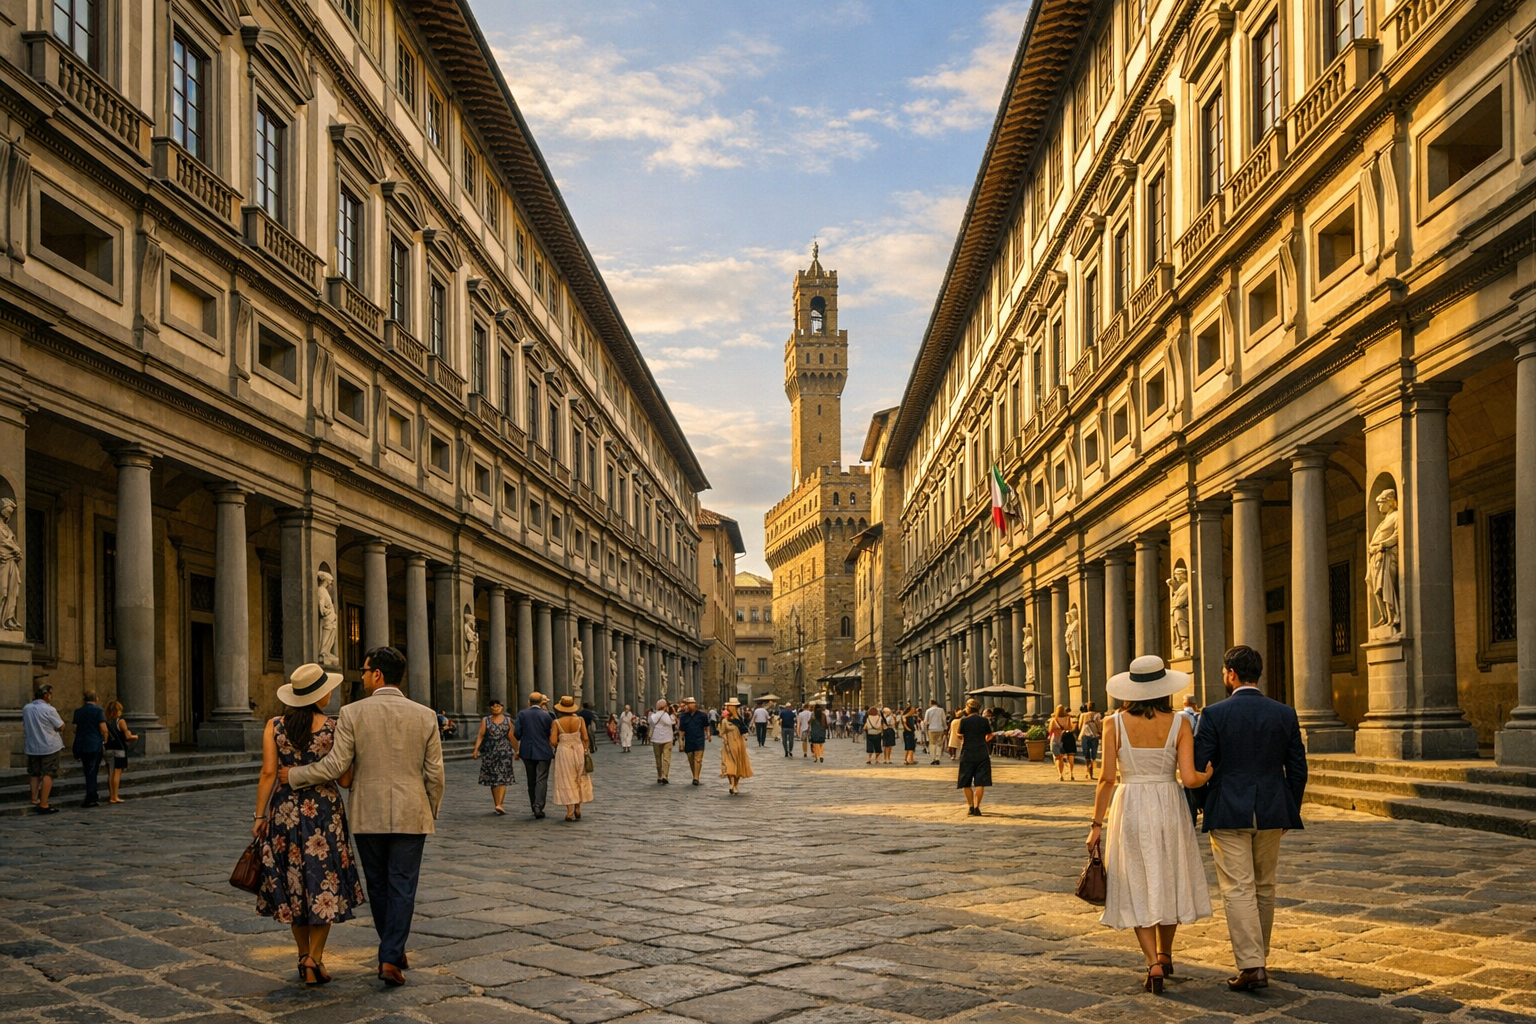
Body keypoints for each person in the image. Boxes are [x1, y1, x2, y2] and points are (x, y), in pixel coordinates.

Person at [281, 648, 444, 987]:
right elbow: (435, 774)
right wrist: (431, 808)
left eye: (365, 670)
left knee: (379, 885)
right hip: (412, 811)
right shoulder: (426, 715)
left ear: (378, 676)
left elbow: (336, 766)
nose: (362, 675)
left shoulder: (352, 713)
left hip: (367, 812)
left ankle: (391, 951)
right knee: (403, 886)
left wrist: (295, 775)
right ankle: (390, 955)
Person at [1086, 655, 1214, 996]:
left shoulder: (1113, 723)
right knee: (1168, 876)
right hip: (1168, 802)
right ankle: (1165, 953)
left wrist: (1096, 824)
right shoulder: (1179, 723)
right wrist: (1207, 775)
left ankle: (1151, 962)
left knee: (1137, 880)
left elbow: (1106, 778)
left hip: (1130, 804)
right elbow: (1189, 779)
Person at [1195, 645, 1308, 993]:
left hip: (1228, 809)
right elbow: (1298, 769)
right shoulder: (1284, 713)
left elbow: (1202, 767)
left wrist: (1202, 803)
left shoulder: (1213, 714)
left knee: (1237, 888)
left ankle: (1252, 964)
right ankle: (1260, 956)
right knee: (1264, 886)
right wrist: (1290, 807)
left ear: (1230, 674)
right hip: (1273, 809)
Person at [254, 663, 365, 986]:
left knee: (294, 886)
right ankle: (314, 958)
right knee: (323, 884)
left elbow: (268, 773)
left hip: (284, 812)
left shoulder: (274, 725)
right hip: (324, 815)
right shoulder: (334, 726)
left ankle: (303, 955)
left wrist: (259, 816)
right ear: (322, 694)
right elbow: (345, 778)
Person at [549, 696, 594, 821]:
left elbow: (552, 741)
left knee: (565, 779)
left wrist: (561, 743)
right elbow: (585, 737)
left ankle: (569, 811)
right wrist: (585, 750)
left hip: (564, 752)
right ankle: (578, 808)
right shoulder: (580, 720)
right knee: (579, 777)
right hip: (579, 750)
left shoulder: (556, 722)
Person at [23, 684, 64, 814]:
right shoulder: (49, 709)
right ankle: (44, 803)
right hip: (49, 745)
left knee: (35, 773)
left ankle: (34, 798)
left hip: (32, 745)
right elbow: (61, 726)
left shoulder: (27, 708)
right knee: (48, 773)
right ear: (47, 695)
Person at [514, 693, 555, 818]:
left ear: (529, 702)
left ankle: (533, 805)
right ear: (541, 702)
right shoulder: (547, 715)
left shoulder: (522, 714)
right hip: (543, 750)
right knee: (541, 779)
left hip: (527, 750)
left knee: (531, 779)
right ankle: (539, 806)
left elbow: (517, 733)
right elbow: (550, 732)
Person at [471, 698, 515, 815]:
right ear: (490, 708)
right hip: (490, 751)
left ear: (502, 707)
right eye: (494, 706)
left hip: (504, 751)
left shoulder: (508, 720)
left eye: (498, 706)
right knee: (493, 778)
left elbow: (511, 736)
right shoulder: (485, 720)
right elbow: (481, 734)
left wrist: (517, 750)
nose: (496, 708)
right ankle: (497, 803)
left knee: (503, 777)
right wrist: (476, 749)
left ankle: (500, 803)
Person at [956, 699, 994, 816]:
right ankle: (977, 807)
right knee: (980, 782)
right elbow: (990, 735)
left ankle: (971, 806)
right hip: (982, 752)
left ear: (969, 708)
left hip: (967, 753)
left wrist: (963, 739)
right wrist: (984, 740)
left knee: (966, 782)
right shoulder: (984, 721)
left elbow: (959, 734)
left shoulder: (964, 721)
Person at [71, 690, 108, 808]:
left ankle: (92, 793)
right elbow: (103, 728)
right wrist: (105, 741)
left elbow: (74, 729)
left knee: (87, 769)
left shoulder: (78, 711)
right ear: (96, 699)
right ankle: (91, 796)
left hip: (82, 743)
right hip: (94, 743)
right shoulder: (98, 711)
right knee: (93, 770)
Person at [103, 700, 137, 804]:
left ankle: (111, 795)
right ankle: (114, 796)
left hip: (108, 749)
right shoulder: (120, 721)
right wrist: (135, 736)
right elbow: (127, 736)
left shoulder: (105, 722)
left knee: (110, 773)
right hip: (119, 749)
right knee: (117, 773)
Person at [718, 699, 754, 794]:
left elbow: (744, 731)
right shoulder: (725, 721)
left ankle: (735, 785)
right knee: (730, 764)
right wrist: (726, 740)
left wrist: (745, 736)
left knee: (738, 764)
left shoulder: (739, 720)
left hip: (739, 744)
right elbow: (722, 732)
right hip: (729, 744)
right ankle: (731, 784)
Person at [677, 696, 711, 784]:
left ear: (693, 705)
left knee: (698, 759)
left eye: (687, 705)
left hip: (699, 739)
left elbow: (706, 726)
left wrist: (708, 735)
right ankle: (694, 775)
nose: (685, 707)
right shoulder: (683, 716)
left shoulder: (702, 715)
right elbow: (681, 731)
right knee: (691, 759)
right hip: (689, 740)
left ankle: (696, 778)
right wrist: (681, 743)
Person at [648, 700, 676, 783]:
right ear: (664, 706)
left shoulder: (653, 715)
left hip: (656, 738)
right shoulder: (665, 714)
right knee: (666, 758)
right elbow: (670, 722)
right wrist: (673, 715)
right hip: (667, 738)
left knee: (658, 758)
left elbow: (650, 723)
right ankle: (665, 775)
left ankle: (659, 775)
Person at [1048, 704, 1078, 781]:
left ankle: (1060, 775)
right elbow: (1071, 728)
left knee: (1058, 758)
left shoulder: (1054, 719)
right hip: (1066, 739)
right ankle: (1071, 773)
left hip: (1056, 739)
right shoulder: (1068, 718)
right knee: (1070, 756)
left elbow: (1050, 729)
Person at [1079, 702, 1103, 781]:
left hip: (1085, 735)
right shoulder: (1097, 715)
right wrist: (1099, 732)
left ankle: (1088, 771)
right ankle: (1091, 772)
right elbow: (1099, 726)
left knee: (1086, 755)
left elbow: (1079, 726)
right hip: (1094, 736)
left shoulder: (1083, 715)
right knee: (1093, 754)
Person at [923, 700, 947, 765]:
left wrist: (925, 729)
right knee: (939, 744)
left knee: (932, 744)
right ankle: (938, 758)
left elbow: (925, 721)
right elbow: (943, 719)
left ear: (931, 703)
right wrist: (945, 728)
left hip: (931, 729)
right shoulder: (941, 710)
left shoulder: (928, 710)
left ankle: (933, 758)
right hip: (940, 729)